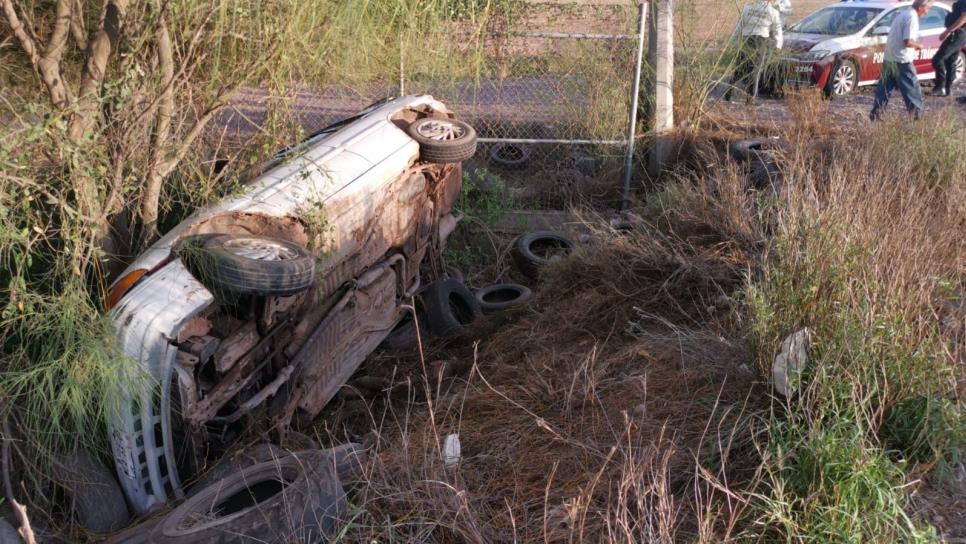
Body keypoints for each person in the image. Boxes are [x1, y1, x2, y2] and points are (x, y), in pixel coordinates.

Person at [869, 0, 931, 121]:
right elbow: (907, 41)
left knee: (884, 88)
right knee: (912, 89)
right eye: (927, 8)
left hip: (889, 57)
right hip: (902, 60)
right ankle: (917, 118)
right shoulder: (912, 17)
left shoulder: (903, 14)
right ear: (921, 7)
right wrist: (919, 46)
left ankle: (876, 115)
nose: (927, 12)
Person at [726, 0, 784, 103]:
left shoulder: (747, 8)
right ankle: (750, 99)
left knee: (740, 69)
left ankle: (728, 93)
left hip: (746, 40)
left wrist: (732, 42)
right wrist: (778, 45)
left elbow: (739, 27)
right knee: (755, 71)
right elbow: (777, 30)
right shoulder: (772, 11)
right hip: (760, 42)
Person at [930, 0, 966, 96]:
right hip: (958, 34)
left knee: (937, 59)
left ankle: (940, 87)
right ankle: (948, 89)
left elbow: (964, 17)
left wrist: (948, 31)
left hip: (958, 34)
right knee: (950, 61)